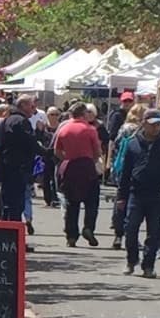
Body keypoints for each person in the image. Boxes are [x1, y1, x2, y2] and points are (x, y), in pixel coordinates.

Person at [121, 112, 160, 277]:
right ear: (143, 123)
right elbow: (125, 173)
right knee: (130, 229)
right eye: (152, 124)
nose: (156, 127)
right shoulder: (132, 144)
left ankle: (148, 266)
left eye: (159, 124)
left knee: (153, 233)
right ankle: (131, 260)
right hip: (136, 194)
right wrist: (121, 197)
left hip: (157, 195)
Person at [54, 101, 103, 247]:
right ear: (84, 114)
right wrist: (92, 160)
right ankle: (88, 227)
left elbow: (56, 150)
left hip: (69, 166)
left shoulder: (64, 129)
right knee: (91, 201)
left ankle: (71, 235)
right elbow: (98, 152)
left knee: (71, 203)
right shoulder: (90, 129)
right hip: (87, 166)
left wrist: (67, 158)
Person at [0, 96, 41, 238]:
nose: (33, 111)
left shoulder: (7, 120)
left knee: (8, 205)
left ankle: (6, 237)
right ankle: (14, 239)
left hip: (7, 168)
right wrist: (47, 152)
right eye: (32, 107)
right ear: (23, 106)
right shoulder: (21, 121)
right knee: (16, 206)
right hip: (18, 169)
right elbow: (30, 143)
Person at [110, 103, 147, 251]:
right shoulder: (140, 130)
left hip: (121, 167)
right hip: (136, 168)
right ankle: (130, 235)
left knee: (121, 198)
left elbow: (116, 145)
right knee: (131, 202)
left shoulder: (124, 128)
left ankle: (118, 234)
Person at [40, 107, 62, 208]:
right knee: (46, 178)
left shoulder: (61, 127)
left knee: (55, 178)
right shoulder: (43, 127)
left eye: (56, 114)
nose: (54, 117)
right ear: (47, 115)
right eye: (52, 114)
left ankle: (55, 198)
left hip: (57, 155)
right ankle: (47, 198)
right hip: (45, 155)